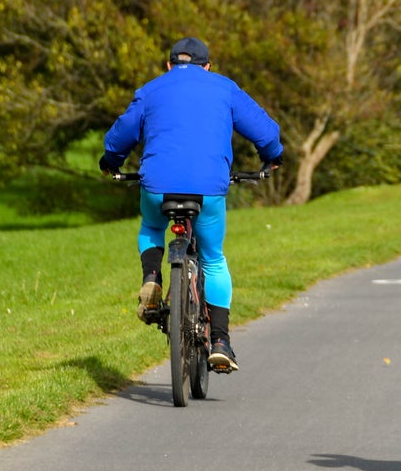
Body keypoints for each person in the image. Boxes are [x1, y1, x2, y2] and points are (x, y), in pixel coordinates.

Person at [99, 37, 283, 373]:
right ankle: (221, 341)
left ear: (169, 65)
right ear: (207, 66)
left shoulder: (152, 89)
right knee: (213, 258)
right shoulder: (224, 88)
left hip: (157, 186)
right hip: (208, 189)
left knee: (152, 226)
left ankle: (153, 277)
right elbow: (265, 133)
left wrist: (111, 161)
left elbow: (120, 134)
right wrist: (272, 158)